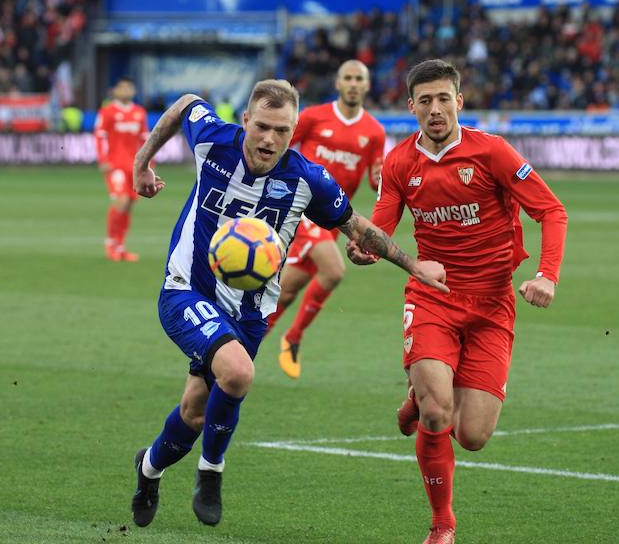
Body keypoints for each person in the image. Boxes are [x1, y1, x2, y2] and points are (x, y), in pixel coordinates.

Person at [128, 79, 448, 530]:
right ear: (245, 121)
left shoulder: (306, 179)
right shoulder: (214, 142)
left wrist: (413, 266)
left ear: (294, 129)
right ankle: (212, 472)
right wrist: (141, 162)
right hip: (186, 291)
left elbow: (355, 224)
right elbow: (184, 104)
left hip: (249, 312)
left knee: (193, 412)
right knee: (238, 373)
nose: (269, 139)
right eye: (262, 126)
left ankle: (148, 469)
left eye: (282, 130)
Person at [346, 60, 568, 544]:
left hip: (492, 306)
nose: (435, 109)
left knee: (472, 437)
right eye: (424, 101)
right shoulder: (401, 163)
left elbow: (551, 210)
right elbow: (381, 227)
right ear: (411, 108)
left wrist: (546, 275)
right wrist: (366, 248)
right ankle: (442, 526)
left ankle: (417, 394)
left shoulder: (493, 152)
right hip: (433, 298)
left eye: (444, 98)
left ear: (459, 102)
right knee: (437, 413)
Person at [264, 59, 386, 379]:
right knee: (333, 271)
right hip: (301, 209)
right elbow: (280, 147)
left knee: (286, 292)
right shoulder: (314, 117)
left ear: (367, 85)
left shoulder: (373, 131)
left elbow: (376, 182)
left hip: (332, 218)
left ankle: (243, 344)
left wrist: (379, 176)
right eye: (348, 77)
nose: (354, 83)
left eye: (359, 78)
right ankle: (293, 337)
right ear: (338, 83)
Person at [94, 76, 150, 261]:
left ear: (133, 91)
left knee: (129, 205)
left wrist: (148, 164)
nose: (125, 91)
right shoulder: (107, 112)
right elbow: (100, 136)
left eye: (129, 88)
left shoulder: (139, 112)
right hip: (115, 165)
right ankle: (111, 244)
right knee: (121, 200)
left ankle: (121, 245)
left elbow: (145, 140)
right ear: (115, 91)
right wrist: (102, 159)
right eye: (122, 88)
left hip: (133, 167)